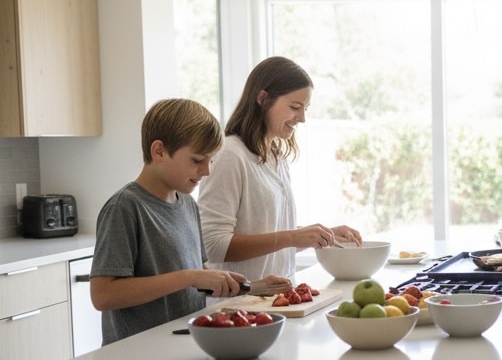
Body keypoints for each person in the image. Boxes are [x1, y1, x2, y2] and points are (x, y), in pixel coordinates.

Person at [91, 98, 249, 344]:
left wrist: (249, 285)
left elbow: (196, 271)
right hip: (135, 359)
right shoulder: (124, 207)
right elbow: (103, 295)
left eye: (210, 161)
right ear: (159, 151)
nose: (206, 171)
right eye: (197, 160)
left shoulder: (187, 204)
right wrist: (190, 277)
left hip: (180, 348)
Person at [198, 56, 361, 281]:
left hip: (276, 301)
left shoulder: (275, 156)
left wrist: (324, 235)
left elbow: (270, 235)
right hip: (238, 308)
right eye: (295, 107)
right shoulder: (229, 155)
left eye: (305, 108)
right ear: (263, 98)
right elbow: (213, 245)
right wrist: (293, 237)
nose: (302, 118)